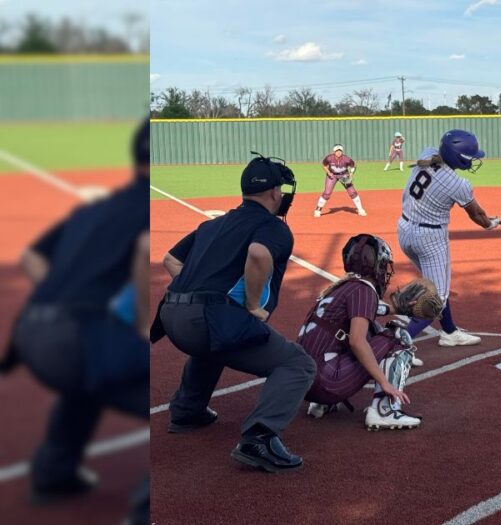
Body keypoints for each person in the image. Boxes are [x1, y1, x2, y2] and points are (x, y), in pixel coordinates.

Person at [3, 119, 151, 524]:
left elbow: (32, 258)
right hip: (71, 338)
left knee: (92, 374)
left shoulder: (95, 210)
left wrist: (62, 299)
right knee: (153, 394)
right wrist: (140, 326)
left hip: (30, 331)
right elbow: (145, 248)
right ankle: (144, 512)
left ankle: (54, 472)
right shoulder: (144, 209)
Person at [154, 153, 316, 473]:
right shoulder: (273, 227)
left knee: (218, 339)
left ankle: (187, 410)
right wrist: (253, 305)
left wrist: (193, 290)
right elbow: (257, 254)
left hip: (170, 316)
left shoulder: (211, 224)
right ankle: (259, 437)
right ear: (274, 192)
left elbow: (170, 260)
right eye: (281, 190)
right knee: (297, 364)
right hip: (206, 319)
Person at [297, 234, 443, 430]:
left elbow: (369, 311)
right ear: (378, 266)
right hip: (326, 382)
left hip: (303, 382)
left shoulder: (339, 289)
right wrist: (384, 383)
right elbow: (357, 341)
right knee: (398, 336)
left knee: (369, 328)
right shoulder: (363, 290)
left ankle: (323, 404)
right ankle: (385, 410)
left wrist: (395, 308)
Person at [397, 129, 497, 346]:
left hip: (405, 231)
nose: (473, 160)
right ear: (458, 157)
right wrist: (490, 224)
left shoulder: (428, 153)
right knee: (437, 299)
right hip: (429, 239)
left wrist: (486, 220)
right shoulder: (458, 184)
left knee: (437, 283)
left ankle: (449, 332)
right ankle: (398, 344)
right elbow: (477, 215)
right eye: (470, 156)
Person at [315, 144, 366, 217]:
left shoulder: (346, 159)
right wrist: (328, 172)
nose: (338, 152)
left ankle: (360, 209)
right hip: (332, 175)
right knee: (327, 193)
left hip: (344, 175)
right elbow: (324, 165)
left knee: (352, 192)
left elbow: (354, 166)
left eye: (340, 151)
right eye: (337, 151)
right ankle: (317, 210)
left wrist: (351, 173)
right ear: (334, 151)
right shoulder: (329, 158)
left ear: (342, 151)